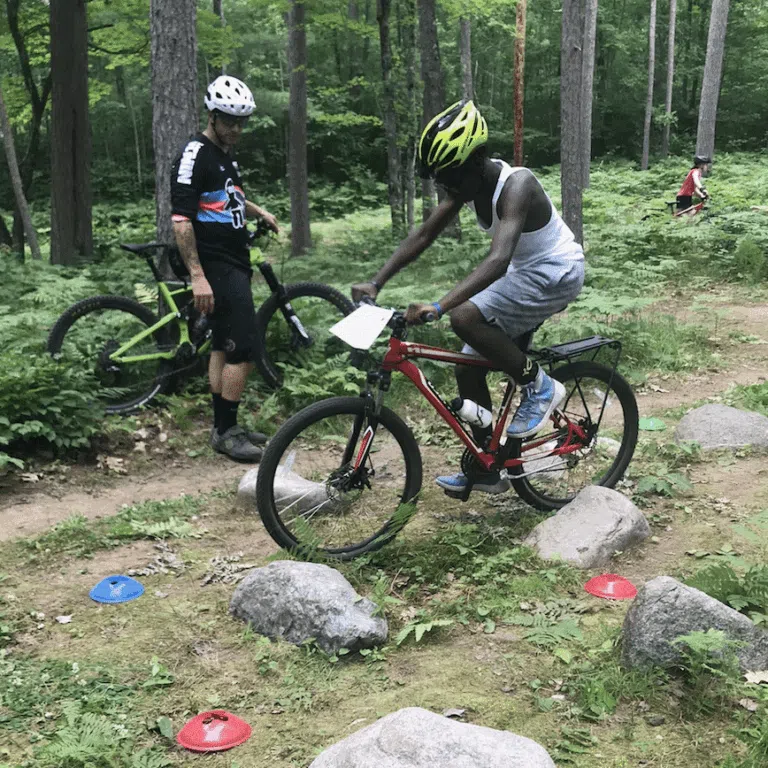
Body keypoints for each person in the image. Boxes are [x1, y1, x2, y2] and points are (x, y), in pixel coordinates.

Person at [352, 99, 585, 495]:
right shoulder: (468, 184)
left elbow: (498, 260)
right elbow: (424, 234)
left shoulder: (517, 185)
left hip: (556, 272)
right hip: (525, 274)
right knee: (467, 368)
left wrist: (440, 306)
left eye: (451, 178)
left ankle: (540, 386)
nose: (447, 188)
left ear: (477, 160)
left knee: (463, 317)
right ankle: (487, 468)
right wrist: (377, 282)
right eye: (441, 180)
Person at [171, 76, 279, 462]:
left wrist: (259, 211)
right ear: (212, 116)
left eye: (241, 122)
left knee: (222, 343)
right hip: (215, 264)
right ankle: (228, 432)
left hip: (233, 259)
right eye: (229, 121)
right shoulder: (195, 155)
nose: (236, 129)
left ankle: (222, 427)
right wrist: (198, 276)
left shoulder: (224, 153)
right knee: (244, 347)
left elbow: (229, 196)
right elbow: (181, 220)